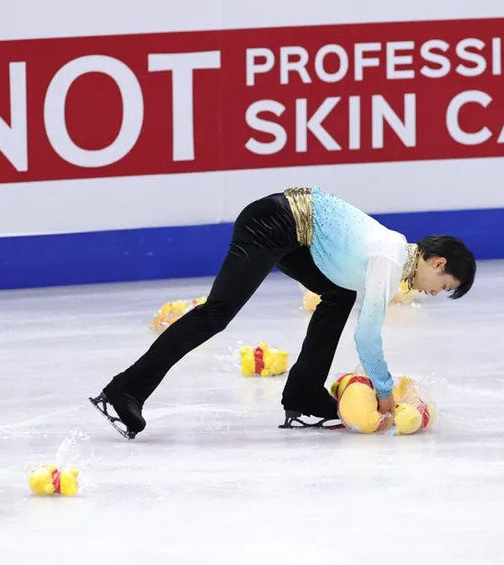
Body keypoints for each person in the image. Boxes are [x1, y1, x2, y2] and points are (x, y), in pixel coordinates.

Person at [91, 187, 476, 438]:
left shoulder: (392, 252)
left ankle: (305, 395)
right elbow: (366, 337)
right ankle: (124, 389)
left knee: (338, 294)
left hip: (293, 230)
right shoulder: (389, 260)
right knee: (218, 312)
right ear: (437, 262)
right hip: (272, 223)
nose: (431, 293)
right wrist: (386, 391)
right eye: (442, 286)